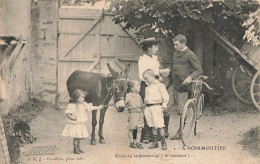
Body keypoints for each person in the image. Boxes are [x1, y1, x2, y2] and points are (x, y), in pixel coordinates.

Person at [169, 34, 203, 140]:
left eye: (176, 44)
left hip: (183, 86)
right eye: (174, 44)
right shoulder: (175, 53)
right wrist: (168, 71)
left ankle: (180, 132)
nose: (174, 47)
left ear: (183, 43)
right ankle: (164, 132)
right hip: (173, 83)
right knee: (166, 107)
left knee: (181, 110)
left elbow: (199, 70)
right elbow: (173, 66)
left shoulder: (190, 54)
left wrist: (189, 78)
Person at [138, 37, 170, 143]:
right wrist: (156, 77)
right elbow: (143, 76)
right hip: (147, 86)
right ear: (148, 48)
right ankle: (146, 135)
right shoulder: (143, 59)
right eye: (155, 47)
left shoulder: (154, 59)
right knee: (148, 109)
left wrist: (161, 72)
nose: (156, 49)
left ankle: (160, 133)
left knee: (159, 108)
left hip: (156, 85)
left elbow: (155, 71)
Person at [62, 89, 103, 154]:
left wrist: (98, 107)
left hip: (81, 124)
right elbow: (67, 113)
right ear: (76, 97)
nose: (83, 99)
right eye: (82, 97)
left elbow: (90, 108)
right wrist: (73, 118)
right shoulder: (72, 105)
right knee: (77, 136)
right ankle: (75, 148)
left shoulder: (83, 104)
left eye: (84, 97)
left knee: (81, 136)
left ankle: (78, 147)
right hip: (76, 124)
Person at [143, 69, 169, 150]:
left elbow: (166, 97)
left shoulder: (160, 85)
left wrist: (163, 107)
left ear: (152, 76)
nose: (145, 80)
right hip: (148, 108)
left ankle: (163, 142)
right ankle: (155, 142)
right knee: (152, 125)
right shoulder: (147, 87)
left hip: (156, 107)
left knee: (159, 125)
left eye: (147, 78)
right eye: (144, 79)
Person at [125, 80, 144, 149]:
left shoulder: (139, 96)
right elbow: (124, 104)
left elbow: (141, 104)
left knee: (140, 128)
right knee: (131, 128)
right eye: (137, 85)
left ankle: (138, 142)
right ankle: (131, 142)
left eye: (139, 85)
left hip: (140, 114)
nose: (140, 86)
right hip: (133, 114)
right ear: (132, 88)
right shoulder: (128, 96)